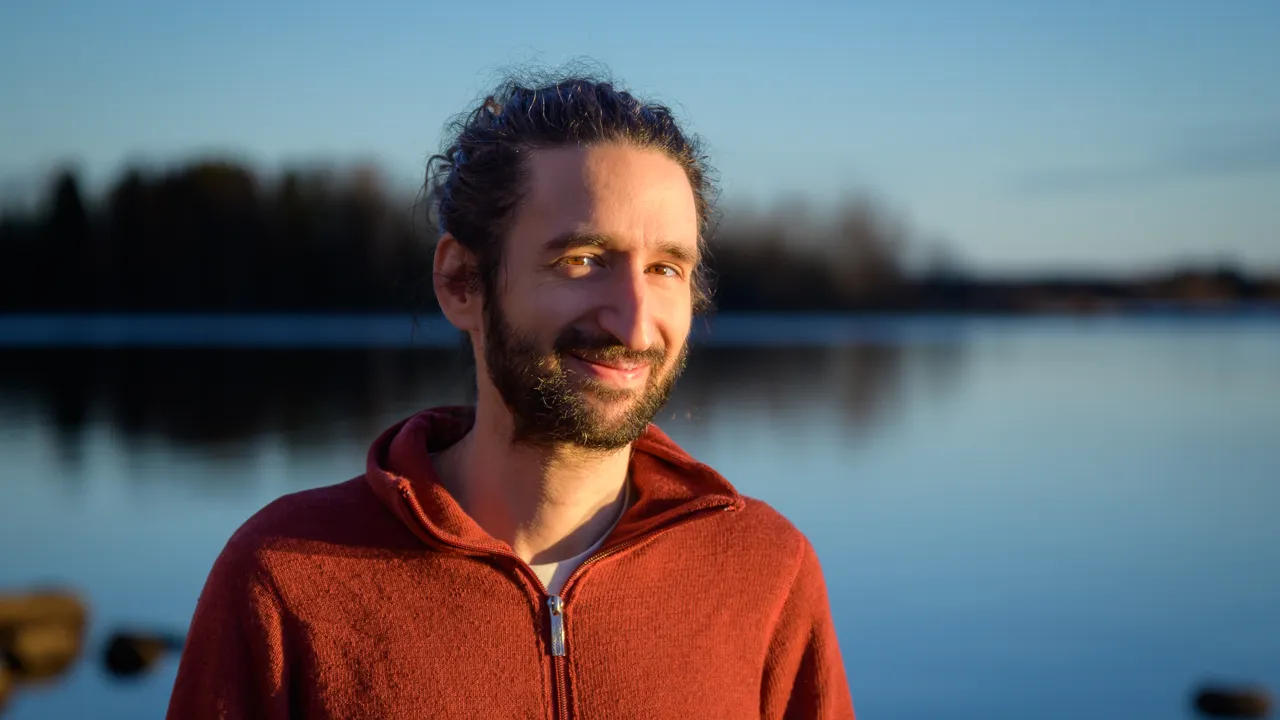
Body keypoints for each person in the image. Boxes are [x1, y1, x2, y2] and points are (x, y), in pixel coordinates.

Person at [166, 73, 855, 719]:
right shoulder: (287, 576)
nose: (636, 321)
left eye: (665, 267)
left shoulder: (762, 572)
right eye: (583, 260)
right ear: (462, 281)